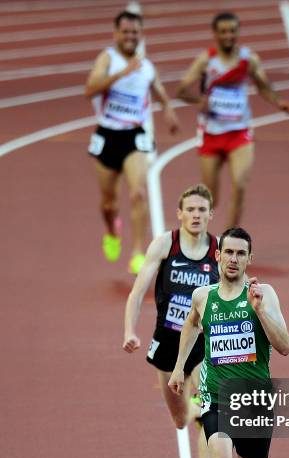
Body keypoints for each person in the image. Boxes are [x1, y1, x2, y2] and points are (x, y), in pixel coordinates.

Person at [168, 227, 289, 458]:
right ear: (217, 256)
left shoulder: (263, 294)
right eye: (228, 252)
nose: (234, 259)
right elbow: (191, 325)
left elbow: (285, 346)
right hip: (217, 397)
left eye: (241, 253)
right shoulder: (203, 297)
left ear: (249, 258)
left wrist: (260, 312)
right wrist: (178, 367)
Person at [123, 184, 219, 458]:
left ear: (210, 215)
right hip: (167, 340)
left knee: (207, 410)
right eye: (190, 210)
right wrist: (129, 331)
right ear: (180, 213)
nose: (196, 215)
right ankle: (194, 410)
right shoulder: (166, 244)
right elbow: (137, 293)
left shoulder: (219, 251)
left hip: (205, 343)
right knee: (181, 419)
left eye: (202, 210)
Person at [176, 12, 289, 229]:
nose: (228, 36)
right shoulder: (207, 60)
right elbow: (181, 91)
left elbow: (263, 86)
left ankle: (228, 243)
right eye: (223, 32)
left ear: (238, 32)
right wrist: (199, 100)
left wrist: (278, 102)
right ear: (215, 34)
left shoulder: (248, 60)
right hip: (211, 133)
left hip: (239, 132)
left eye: (232, 31)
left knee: (239, 185)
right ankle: (199, 240)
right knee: (210, 198)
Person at [85, 10, 179, 275]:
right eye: (125, 32)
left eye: (135, 32)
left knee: (138, 193)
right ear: (116, 34)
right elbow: (90, 89)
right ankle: (111, 229)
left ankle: (138, 252)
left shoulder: (147, 66)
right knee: (108, 203)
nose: (130, 36)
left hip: (134, 136)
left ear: (141, 35)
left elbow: (159, 92)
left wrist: (169, 110)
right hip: (107, 135)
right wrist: (122, 73)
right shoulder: (108, 59)